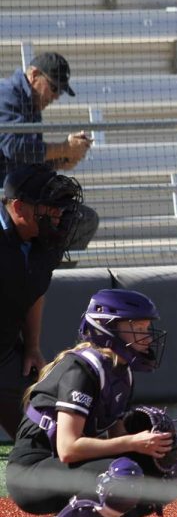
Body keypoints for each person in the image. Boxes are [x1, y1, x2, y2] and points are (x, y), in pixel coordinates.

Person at [4, 288, 177, 517]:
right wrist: (134, 443)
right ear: (107, 328)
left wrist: (152, 448)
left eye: (147, 327)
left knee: (164, 470)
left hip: (65, 468)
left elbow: (116, 437)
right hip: (32, 475)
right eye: (137, 327)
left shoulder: (119, 370)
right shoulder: (81, 369)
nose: (147, 336)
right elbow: (68, 448)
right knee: (122, 475)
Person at [1, 163, 84, 438]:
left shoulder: (43, 243)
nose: (58, 214)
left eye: (61, 206)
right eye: (49, 206)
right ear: (18, 207)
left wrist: (33, 347)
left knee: (41, 440)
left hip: (6, 354)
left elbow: (34, 292)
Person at [0, 52, 98, 253]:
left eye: (60, 92)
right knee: (75, 220)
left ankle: (43, 273)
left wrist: (60, 161)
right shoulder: (8, 95)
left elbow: (25, 162)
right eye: (54, 88)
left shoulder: (29, 104)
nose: (55, 96)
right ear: (34, 75)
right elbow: (16, 147)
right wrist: (64, 148)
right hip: (8, 201)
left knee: (77, 219)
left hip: (16, 197)